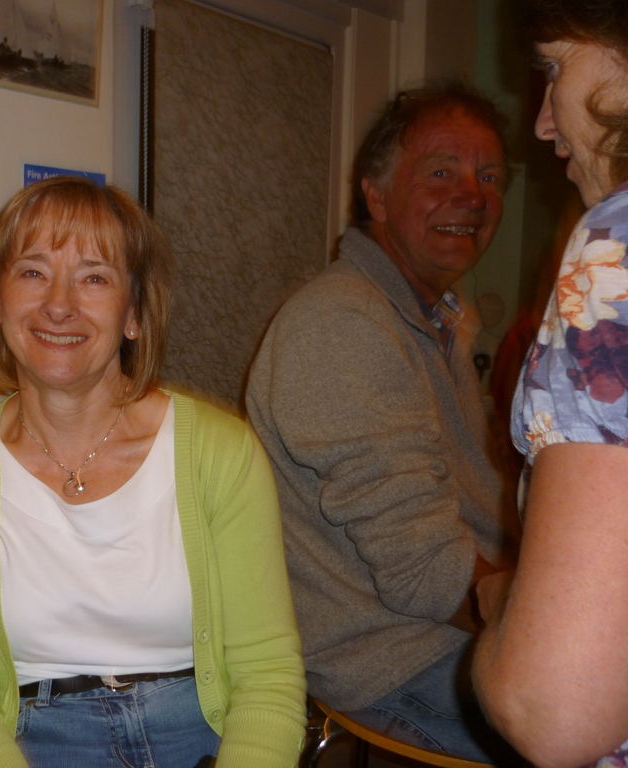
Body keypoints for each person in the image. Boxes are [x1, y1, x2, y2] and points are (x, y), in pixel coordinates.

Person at [0, 176, 307, 768]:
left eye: (94, 278)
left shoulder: (222, 454)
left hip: (206, 738)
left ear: (134, 314)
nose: (58, 304)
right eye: (33, 272)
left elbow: (266, 676)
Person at [246, 84, 519, 761]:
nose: (473, 195)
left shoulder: (439, 316)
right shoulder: (342, 324)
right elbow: (426, 570)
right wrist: (547, 623)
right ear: (376, 195)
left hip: (442, 629)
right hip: (389, 655)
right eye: (442, 172)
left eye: (489, 177)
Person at [472, 3, 628, 766]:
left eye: (555, 67)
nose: (543, 124)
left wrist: (503, 600)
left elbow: (553, 710)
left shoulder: (612, 254)